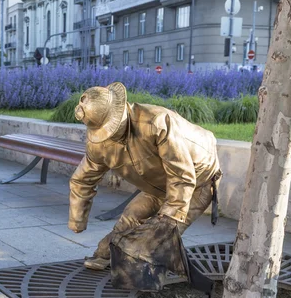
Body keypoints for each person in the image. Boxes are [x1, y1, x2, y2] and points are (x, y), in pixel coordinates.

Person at [68, 82, 222, 270]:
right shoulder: (98, 145)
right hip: (157, 187)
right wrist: (77, 219)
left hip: (199, 181)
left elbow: (182, 176)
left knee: (158, 238)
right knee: (128, 219)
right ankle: (107, 256)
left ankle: (146, 276)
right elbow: (82, 179)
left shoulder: (157, 122)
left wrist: (168, 218)